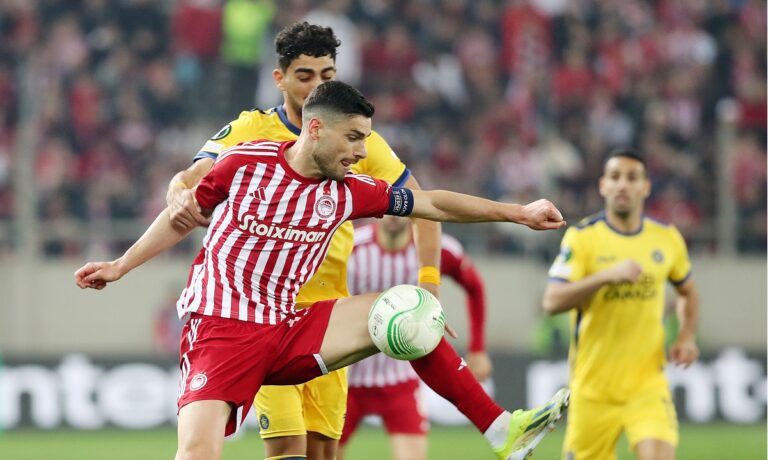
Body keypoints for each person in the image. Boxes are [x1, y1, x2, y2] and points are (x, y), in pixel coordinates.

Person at [75, 81, 569, 460]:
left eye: (365, 140)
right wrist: (120, 265)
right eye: (353, 138)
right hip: (220, 328)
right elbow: (180, 218)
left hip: (288, 326)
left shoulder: (349, 192)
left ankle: (502, 431)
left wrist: (518, 213)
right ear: (315, 129)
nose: (361, 152)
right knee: (197, 453)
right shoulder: (244, 163)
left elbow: (433, 203)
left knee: (409, 311)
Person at [164, 22, 442, 460]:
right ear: (280, 78)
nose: (316, 85)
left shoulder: (358, 140)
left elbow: (425, 207)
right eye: (304, 75)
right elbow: (192, 177)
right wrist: (177, 190)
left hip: (329, 319)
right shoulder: (252, 128)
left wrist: (429, 283)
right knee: (285, 445)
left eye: (326, 76)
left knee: (323, 452)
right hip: (265, 316)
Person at [542, 149, 700, 460]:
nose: (623, 184)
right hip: (593, 390)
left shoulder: (666, 238)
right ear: (603, 186)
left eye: (632, 178)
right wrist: (606, 277)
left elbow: (688, 292)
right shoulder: (582, 238)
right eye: (615, 177)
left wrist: (686, 336)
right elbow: (552, 301)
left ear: (645, 187)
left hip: (647, 386)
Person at [339, 215, 492, 460]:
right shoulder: (351, 246)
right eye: (387, 207)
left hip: (402, 378)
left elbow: (475, 287)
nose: (392, 215)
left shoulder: (436, 250)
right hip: (346, 379)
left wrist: (478, 348)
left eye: (399, 209)